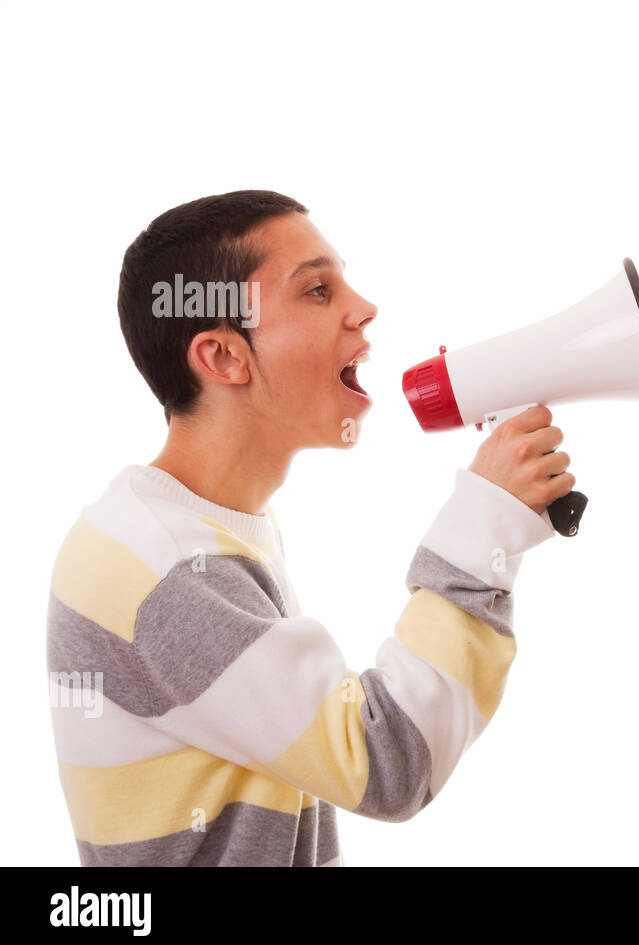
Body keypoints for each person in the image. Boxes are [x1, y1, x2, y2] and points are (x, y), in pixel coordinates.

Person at [46, 190, 574, 865]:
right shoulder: (165, 566)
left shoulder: (202, 531)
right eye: (318, 290)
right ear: (225, 358)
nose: (364, 308)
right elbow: (388, 763)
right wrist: (483, 526)